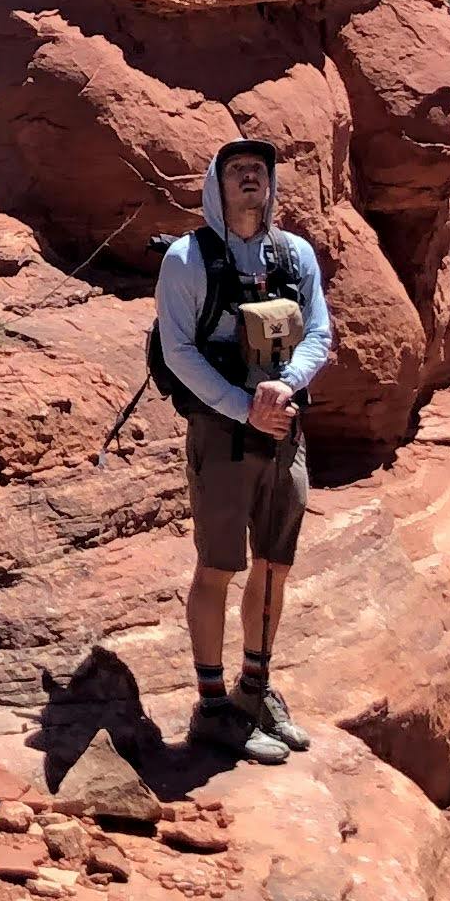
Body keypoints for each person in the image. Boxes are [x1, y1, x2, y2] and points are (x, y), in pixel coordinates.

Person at [156, 138, 332, 765]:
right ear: (216, 185)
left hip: (284, 429)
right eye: (237, 171)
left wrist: (285, 386)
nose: (250, 177)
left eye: (259, 169)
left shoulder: (295, 254)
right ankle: (211, 709)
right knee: (219, 567)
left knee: (275, 564)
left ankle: (254, 691)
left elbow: (319, 333)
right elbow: (178, 351)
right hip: (224, 434)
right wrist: (242, 406)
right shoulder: (186, 259)